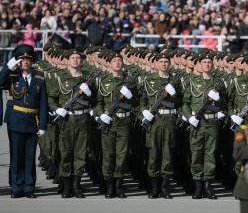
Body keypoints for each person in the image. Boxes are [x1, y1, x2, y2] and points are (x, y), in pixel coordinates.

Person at [0, 44, 48, 198]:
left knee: (29, 156)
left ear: (32, 61)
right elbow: (0, 81)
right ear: (18, 62)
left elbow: (43, 103)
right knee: (16, 156)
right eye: (22, 59)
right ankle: (16, 187)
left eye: (28, 59)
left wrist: (43, 125)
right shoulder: (12, 77)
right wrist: (8, 66)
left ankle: (28, 187)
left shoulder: (39, 78)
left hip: (32, 121)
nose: (25, 62)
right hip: (15, 121)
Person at [47, 49, 95, 198]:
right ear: (67, 61)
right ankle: (66, 185)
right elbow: (51, 99)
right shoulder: (60, 78)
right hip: (67, 120)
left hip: (82, 120)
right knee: (66, 152)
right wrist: (57, 109)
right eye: (73, 58)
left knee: (80, 153)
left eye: (78, 58)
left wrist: (89, 94)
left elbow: (95, 101)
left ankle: (76, 185)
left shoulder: (87, 78)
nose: (76, 60)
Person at [182, 52, 226, 199]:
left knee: (210, 154)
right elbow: (185, 103)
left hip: (212, 123)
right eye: (204, 62)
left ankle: (208, 185)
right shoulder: (192, 82)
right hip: (197, 123)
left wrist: (218, 99)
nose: (207, 64)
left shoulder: (218, 83)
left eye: (209, 62)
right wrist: (190, 118)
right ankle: (198, 186)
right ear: (199, 64)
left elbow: (224, 105)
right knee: (196, 153)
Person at [95, 51, 138, 198]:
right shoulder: (104, 81)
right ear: (110, 64)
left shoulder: (130, 81)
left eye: (120, 61)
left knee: (122, 155)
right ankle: (109, 185)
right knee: (108, 155)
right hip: (109, 122)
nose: (117, 63)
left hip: (123, 122)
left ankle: (119, 184)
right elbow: (98, 103)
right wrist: (101, 114)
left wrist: (130, 96)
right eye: (115, 61)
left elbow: (136, 102)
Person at [140, 51, 182, 199]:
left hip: (169, 119)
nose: (164, 64)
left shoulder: (174, 81)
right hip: (154, 120)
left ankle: (165, 187)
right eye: (161, 62)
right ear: (156, 64)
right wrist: (144, 112)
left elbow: (180, 103)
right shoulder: (148, 79)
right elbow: (142, 100)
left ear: (169, 64)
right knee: (153, 153)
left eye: (166, 62)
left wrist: (174, 94)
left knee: (167, 153)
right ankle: (154, 187)